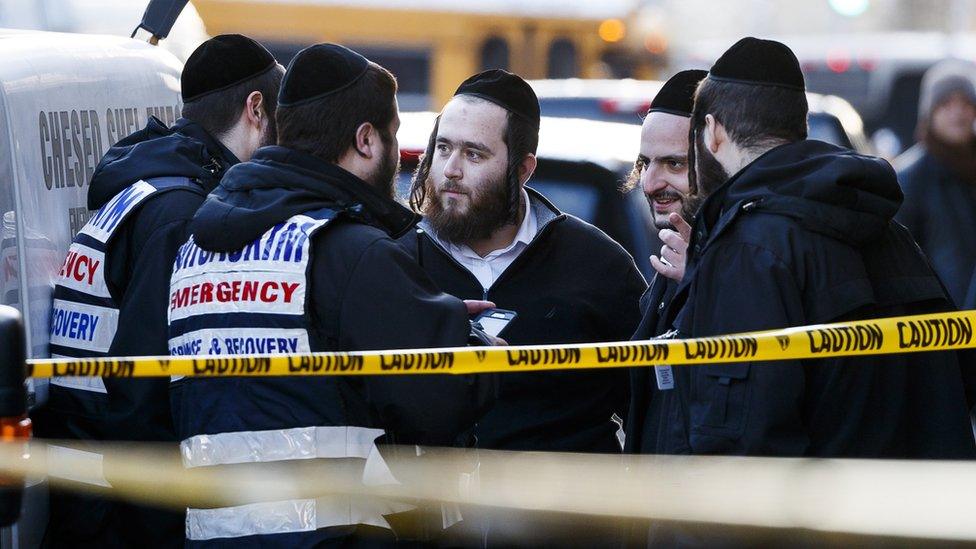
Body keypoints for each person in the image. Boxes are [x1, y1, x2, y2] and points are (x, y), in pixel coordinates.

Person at [167, 43, 497, 548]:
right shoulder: (348, 250)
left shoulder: (196, 245)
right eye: (392, 136)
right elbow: (439, 401)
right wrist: (467, 337)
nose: (395, 152)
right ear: (366, 140)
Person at [649, 37, 976, 459]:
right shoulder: (887, 229)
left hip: (820, 520)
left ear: (712, 132)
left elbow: (743, 438)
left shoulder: (750, 249)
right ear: (796, 129)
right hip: (916, 513)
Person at [36, 34, 283, 548]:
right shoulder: (180, 216)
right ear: (256, 109)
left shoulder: (147, 189)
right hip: (121, 516)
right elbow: (144, 394)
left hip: (91, 499)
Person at [400, 69, 645, 547]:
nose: (451, 169)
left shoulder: (598, 265)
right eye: (443, 148)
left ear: (523, 169)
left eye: (474, 154)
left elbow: (648, 411)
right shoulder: (397, 262)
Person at [623, 70, 705, 456]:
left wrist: (702, 284)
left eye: (674, 165)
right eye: (645, 164)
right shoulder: (667, 270)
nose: (650, 183)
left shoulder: (751, 265)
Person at [895, 60, 976, 310]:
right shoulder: (909, 178)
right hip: (942, 328)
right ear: (929, 112)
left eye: (965, 103)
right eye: (946, 104)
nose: (957, 113)